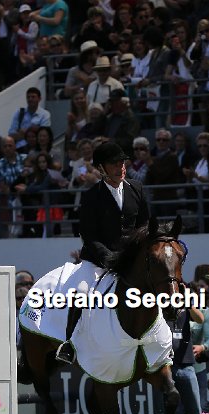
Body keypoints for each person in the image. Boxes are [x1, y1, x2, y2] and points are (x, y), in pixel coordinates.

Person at [55, 141, 149, 364]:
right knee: (81, 291)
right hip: (99, 260)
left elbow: (144, 225)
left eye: (122, 163)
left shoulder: (136, 188)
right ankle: (69, 343)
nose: (120, 168)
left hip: (130, 258)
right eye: (114, 164)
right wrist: (109, 258)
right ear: (101, 168)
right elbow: (89, 235)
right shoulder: (91, 196)